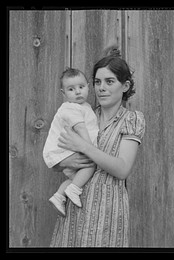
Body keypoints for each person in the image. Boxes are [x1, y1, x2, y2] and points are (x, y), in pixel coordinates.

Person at [50, 45, 145, 247]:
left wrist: (83, 146)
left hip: (107, 211)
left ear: (125, 86)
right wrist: (67, 160)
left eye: (110, 81)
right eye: (97, 82)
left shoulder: (131, 119)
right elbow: (58, 157)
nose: (101, 87)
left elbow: (122, 169)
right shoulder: (82, 115)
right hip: (75, 204)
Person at [43, 67, 99, 216]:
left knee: (78, 177)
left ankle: (59, 195)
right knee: (91, 164)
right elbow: (80, 128)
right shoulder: (70, 108)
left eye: (81, 87)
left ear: (88, 86)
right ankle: (73, 189)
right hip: (62, 151)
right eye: (71, 89)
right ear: (63, 93)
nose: (78, 92)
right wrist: (92, 150)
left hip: (69, 151)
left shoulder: (85, 107)